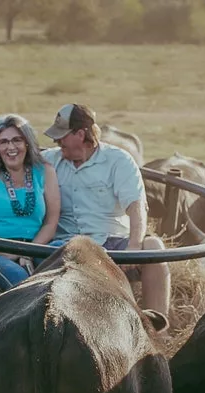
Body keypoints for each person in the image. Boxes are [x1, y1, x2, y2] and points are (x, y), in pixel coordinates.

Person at [40, 103, 170, 316]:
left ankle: (158, 328)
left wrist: (134, 245)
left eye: (62, 136)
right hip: (64, 246)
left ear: (81, 134)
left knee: (154, 245)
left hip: (110, 244)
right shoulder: (50, 160)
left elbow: (136, 206)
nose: (57, 141)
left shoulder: (118, 161)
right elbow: (11, 168)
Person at [0, 114, 61, 291]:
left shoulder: (45, 171)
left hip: (36, 245)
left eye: (17, 140)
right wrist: (5, 252)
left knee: (67, 252)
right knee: (20, 278)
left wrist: (28, 251)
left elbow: (51, 222)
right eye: (3, 142)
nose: (11, 147)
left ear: (27, 143)